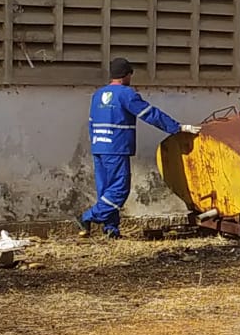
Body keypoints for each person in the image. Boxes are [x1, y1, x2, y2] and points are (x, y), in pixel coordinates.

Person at [78, 57, 201, 239]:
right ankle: (87, 216)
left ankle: (111, 230)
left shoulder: (97, 95)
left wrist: (96, 142)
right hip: (116, 147)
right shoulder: (127, 94)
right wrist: (177, 127)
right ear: (127, 75)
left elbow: (91, 122)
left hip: (99, 147)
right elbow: (150, 114)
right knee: (120, 189)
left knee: (106, 190)